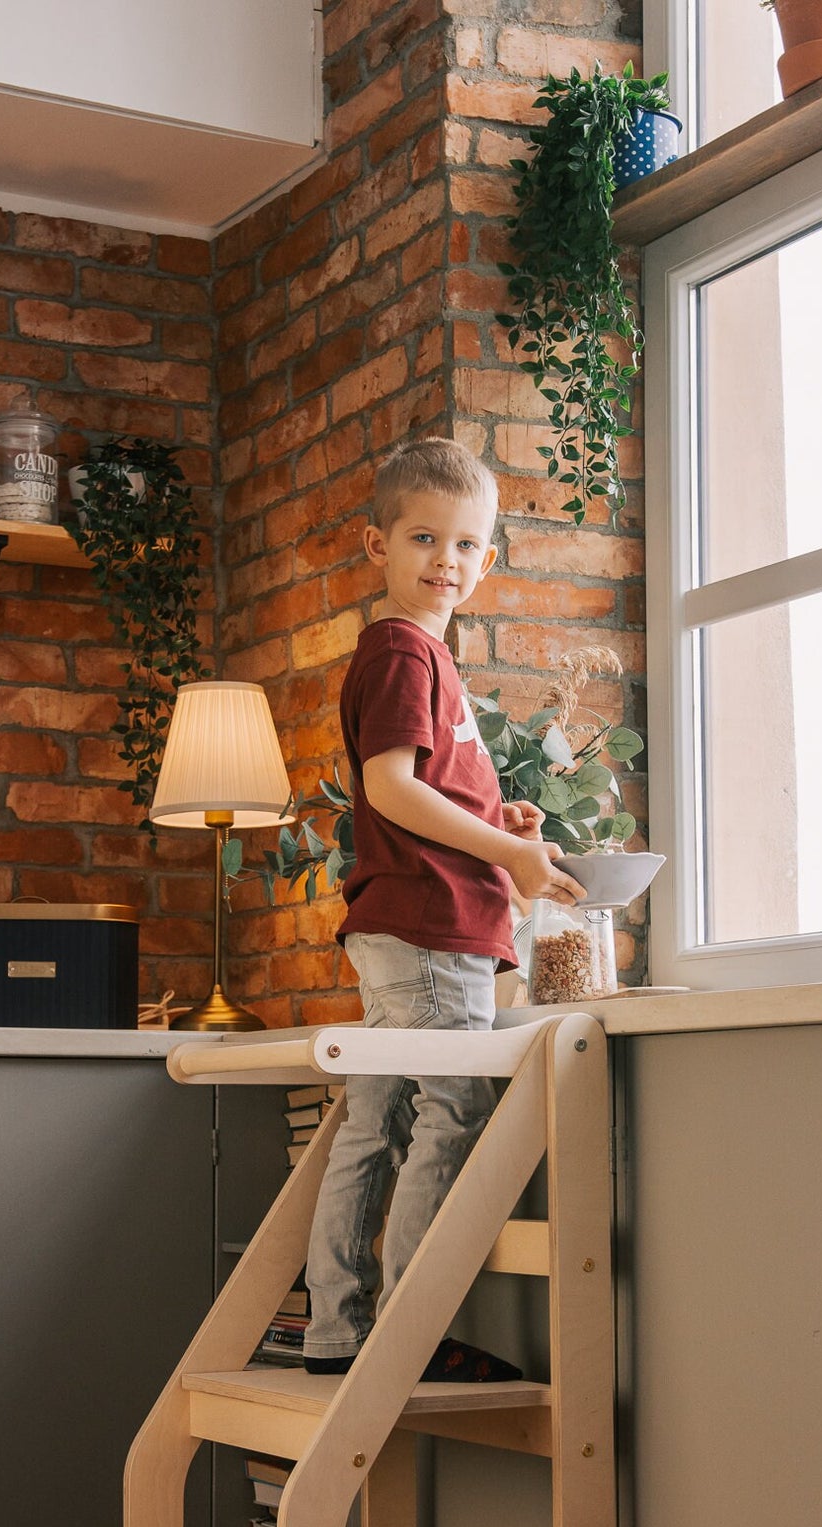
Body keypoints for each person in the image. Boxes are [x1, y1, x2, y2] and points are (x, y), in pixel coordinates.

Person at [303, 435, 585, 1381]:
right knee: (451, 1111)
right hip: (430, 931)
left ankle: (338, 1328)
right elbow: (387, 789)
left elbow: (426, 793)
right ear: (374, 544)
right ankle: (407, 1329)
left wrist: (497, 818)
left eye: (465, 546)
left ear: (488, 558)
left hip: (412, 923)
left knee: (371, 1121)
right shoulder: (399, 652)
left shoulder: (426, 655)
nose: (445, 563)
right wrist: (509, 853)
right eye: (424, 538)